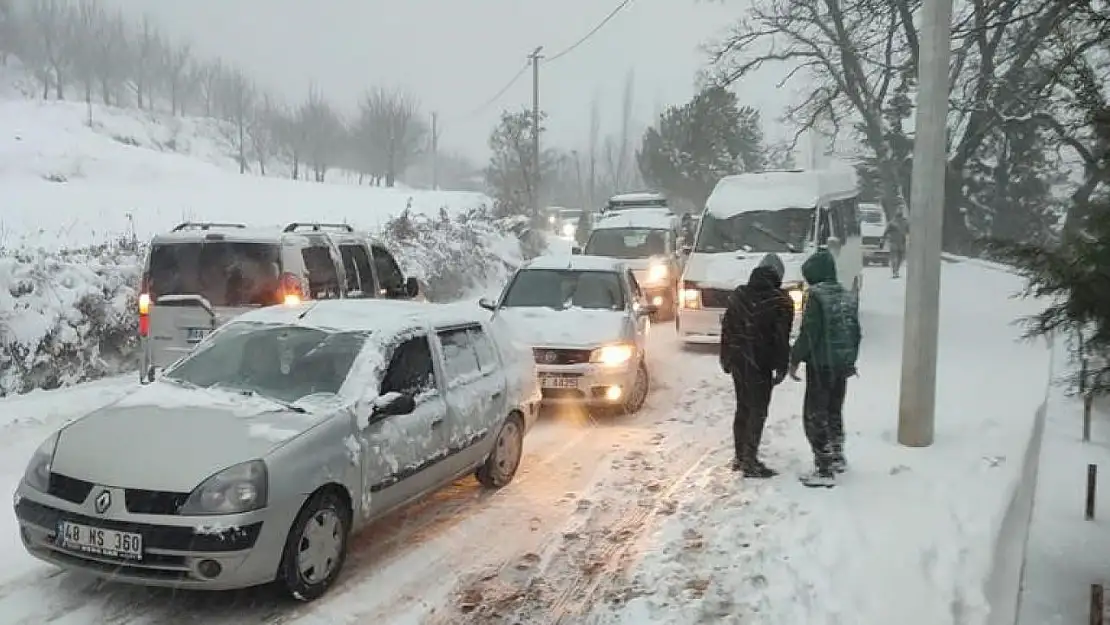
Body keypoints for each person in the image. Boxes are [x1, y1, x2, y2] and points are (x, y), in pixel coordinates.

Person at [788, 249, 862, 488]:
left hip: (821, 365)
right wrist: (849, 360)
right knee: (833, 411)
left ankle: (824, 467)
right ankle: (837, 455)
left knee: (814, 415)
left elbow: (810, 333)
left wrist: (795, 358)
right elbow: (855, 332)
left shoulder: (816, 297)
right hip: (842, 365)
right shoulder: (847, 296)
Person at [719, 254, 794, 477]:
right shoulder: (781, 300)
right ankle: (750, 461)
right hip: (762, 363)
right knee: (758, 410)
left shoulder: (739, 295)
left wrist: (726, 358)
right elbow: (781, 337)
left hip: (739, 361)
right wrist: (782, 366)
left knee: (742, 407)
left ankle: (740, 456)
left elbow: (727, 330)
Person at [883, 214, 909, 278]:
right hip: (896, 243)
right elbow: (885, 232)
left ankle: (896, 271)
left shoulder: (903, 223)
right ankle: (895, 271)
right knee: (897, 258)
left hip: (899, 243)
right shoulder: (893, 223)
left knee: (898, 258)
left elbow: (885, 233)